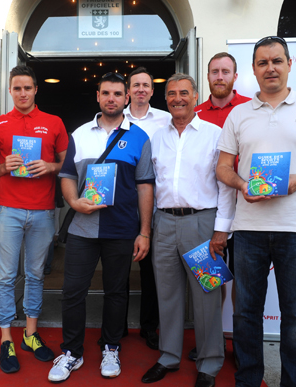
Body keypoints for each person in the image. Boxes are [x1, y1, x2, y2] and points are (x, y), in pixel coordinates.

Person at [216, 36, 296, 387]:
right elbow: (223, 169)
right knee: (245, 315)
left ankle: (294, 382)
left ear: (290, 64)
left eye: (276, 60)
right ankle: (247, 380)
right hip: (248, 230)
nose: (270, 67)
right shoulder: (238, 114)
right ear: (254, 71)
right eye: (262, 62)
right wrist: (243, 184)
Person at [48, 72, 154, 382]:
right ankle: (71, 352)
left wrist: (144, 231)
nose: (111, 98)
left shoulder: (139, 137)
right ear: (98, 96)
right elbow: (66, 175)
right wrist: (73, 202)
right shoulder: (79, 134)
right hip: (83, 228)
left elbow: (145, 186)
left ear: (126, 98)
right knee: (73, 293)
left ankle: (111, 347)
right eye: (106, 93)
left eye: (117, 94)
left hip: (122, 228)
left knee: (116, 292)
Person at [141, 73, 235, 387]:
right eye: (171, 94)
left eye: (184, 93)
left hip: (203, 223)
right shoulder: (156, 136)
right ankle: (168, 356)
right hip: (165, 223)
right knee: (166, 293)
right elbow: (152, 185)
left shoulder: (215, 134)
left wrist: (221, 231)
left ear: (195, 96)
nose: (177, 98)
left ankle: (209, 363)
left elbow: (226, 188)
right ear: (164, 99)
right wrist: (150, 227)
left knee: (207, 293)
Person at [0, 65, 68, 373]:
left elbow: (65, 164)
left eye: (27, 88)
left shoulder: (53, 123)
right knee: (6, 276)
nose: (22, 93)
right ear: (10, 91)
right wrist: (1, 167)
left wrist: (49, 167)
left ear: (36, 90)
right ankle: (7, 336)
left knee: (35, 275)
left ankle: (30, 334)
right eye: (16, 88)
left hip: (43, 210)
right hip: (7, 210)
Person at [188, 52, 251, 362]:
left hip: (251, 210)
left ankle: (240, 345)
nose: (220, 76)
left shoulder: (252, 109)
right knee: (211, 279)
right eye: (215, 71)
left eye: (226, 71)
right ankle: (210, 343)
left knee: (243, 281)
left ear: (235, 76)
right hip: (210, 214)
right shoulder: (195, 114)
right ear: (208, 76)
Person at [123, 66, 171, 350]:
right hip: (123, 206)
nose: (141, 89)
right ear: (128, 91)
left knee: (152, 273)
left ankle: (148, 326)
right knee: (118, 269)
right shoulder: (117, 118)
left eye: (146, 85)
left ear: (153, 91)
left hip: (157, 208)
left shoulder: (165, 120)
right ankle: (116, 325)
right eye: (136, 85)